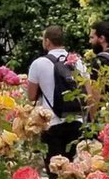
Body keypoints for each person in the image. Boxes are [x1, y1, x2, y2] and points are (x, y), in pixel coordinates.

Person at [26, 25, 88, 169]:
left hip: (51, 122)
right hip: (76, 120)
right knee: (75, 169)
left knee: (55, 169)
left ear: (47, 41)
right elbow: (87, 92)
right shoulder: (78, 62)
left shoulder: (38, 63)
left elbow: (31, 96)